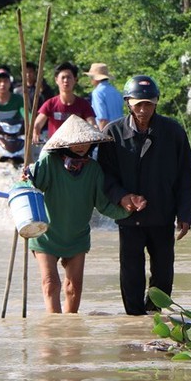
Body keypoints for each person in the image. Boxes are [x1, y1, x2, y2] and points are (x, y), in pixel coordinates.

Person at [97, 75, 191, 315]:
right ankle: (134, 323)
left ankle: (154, 321)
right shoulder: (113, 133)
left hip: (162, 216)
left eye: (148, 104)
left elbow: (187, 177)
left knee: (163, 274)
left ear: (156, 103)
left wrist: (185, 215)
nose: (143, 109)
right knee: (131, 274)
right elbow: (105, 176)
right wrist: (122, 197)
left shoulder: (173, 132)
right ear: (128, 103)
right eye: (138, 104)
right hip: (128, 218)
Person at [24, 115, 132, 313]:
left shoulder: (94, 169)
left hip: (77, 236)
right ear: (65, 142)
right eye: (76, 140)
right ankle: (54, 331)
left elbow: (103, 205)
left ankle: (70, 335)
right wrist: (28, 174)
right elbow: (34, 185)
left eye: (85, 140)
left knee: (74, 288)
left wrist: (128, 211)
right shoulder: (50, 161)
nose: (81, 145)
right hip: (46, 234)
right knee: (50, 283)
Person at [32, 61, 96, 138]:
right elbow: (38, 123)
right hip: (55, 147)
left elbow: (92, 123)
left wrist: (95, 128)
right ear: (56, 80)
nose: (66, 80)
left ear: (75, 80)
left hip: (77, 147)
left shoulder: (84, 104)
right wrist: (36, 130)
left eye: (69, 77)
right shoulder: (50, 104)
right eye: (63, 77)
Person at [84, 63, 124, 130]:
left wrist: (102, 137)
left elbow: (102, 119)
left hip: (108, 131)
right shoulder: (116, 91)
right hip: (121, 130)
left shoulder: (97, 92)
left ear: (96, 78)